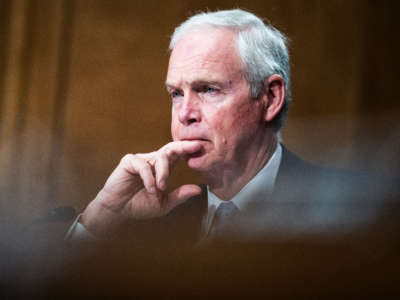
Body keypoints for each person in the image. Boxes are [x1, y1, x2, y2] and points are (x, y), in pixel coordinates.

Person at [66, 9, 389, 245]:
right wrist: (101, 217)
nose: (185, 114)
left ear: (270, 97)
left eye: (208, 89)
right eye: (176, 94)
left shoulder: (361, 210)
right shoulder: (144, 218)